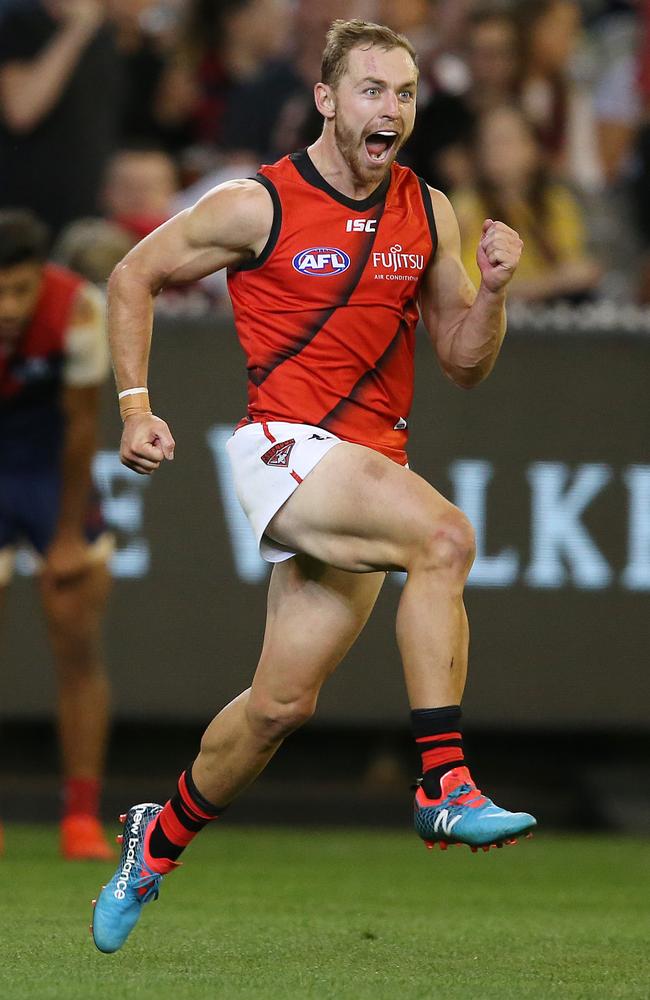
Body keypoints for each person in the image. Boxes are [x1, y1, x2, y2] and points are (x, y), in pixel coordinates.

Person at [91, 18, 536, 954]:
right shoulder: (260, 203)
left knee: (279, 709)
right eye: (372, 90)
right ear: (328, 100)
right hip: (286, 452)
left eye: (405, 92)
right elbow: (134, 275)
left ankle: (154, 842)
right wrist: (136, 406)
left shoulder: (430, 208)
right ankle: (443, 784)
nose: (393, 110)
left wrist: (491, 292)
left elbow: (462, 362)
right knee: (445, 539)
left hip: (369, 463)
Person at [0, 210, 113, 860]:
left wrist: (68, 534)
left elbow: (80, 426)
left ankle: (79, 818)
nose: (10, 307)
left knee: (76, 638)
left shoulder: (78, 309)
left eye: (20, 290)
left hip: (48, 471)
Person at [451, 104, 602, 303]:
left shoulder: (556, 203)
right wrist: (550, 284)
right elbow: (465, 287)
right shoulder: (464, 206)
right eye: (488, 143)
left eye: (506, 141)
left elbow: (575, 269)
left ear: (532, 148)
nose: (496, 151)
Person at [0, 0, 124, 237]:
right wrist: (76, 30)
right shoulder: (18, 20)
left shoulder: (105, 32)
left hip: (84, 205)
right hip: (25, 206)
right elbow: (22, 111)